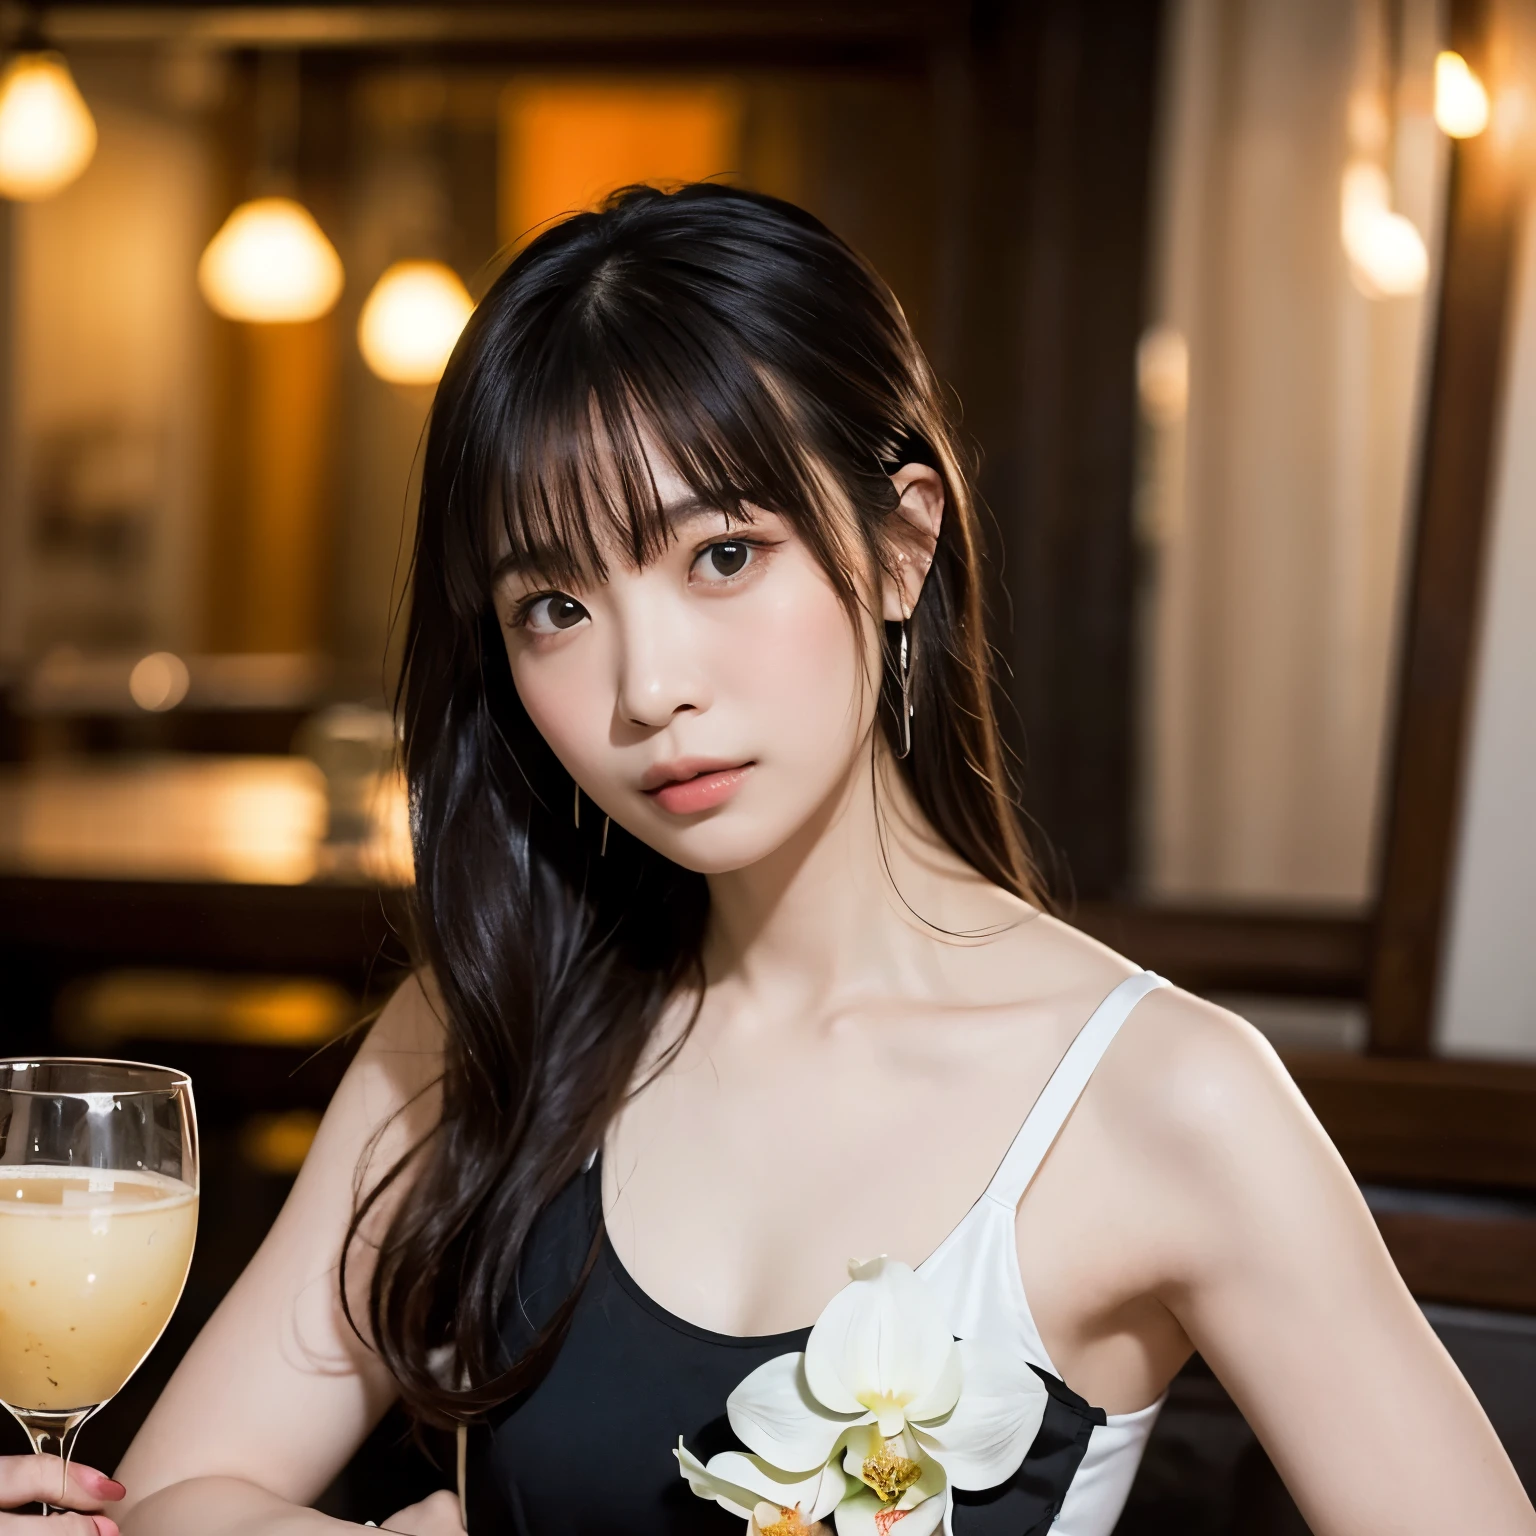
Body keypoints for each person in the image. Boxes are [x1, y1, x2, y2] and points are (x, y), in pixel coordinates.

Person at [6, 182, 1514, 1535]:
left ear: (901, 542)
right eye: (555, 605)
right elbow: (170, 1500)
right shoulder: (493, 1033)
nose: (646, 685)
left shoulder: (1163, 1102)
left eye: (723, 555)